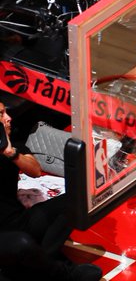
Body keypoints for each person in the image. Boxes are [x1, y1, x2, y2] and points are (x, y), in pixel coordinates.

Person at [0, 102, 101, 280]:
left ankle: (39, 262)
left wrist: (11, 153)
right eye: (1, 114)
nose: (9, 118)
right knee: (22, 244)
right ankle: (62, 273)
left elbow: (35, 170)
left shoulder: (13, 148)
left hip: (18, 222)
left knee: (78, 199)